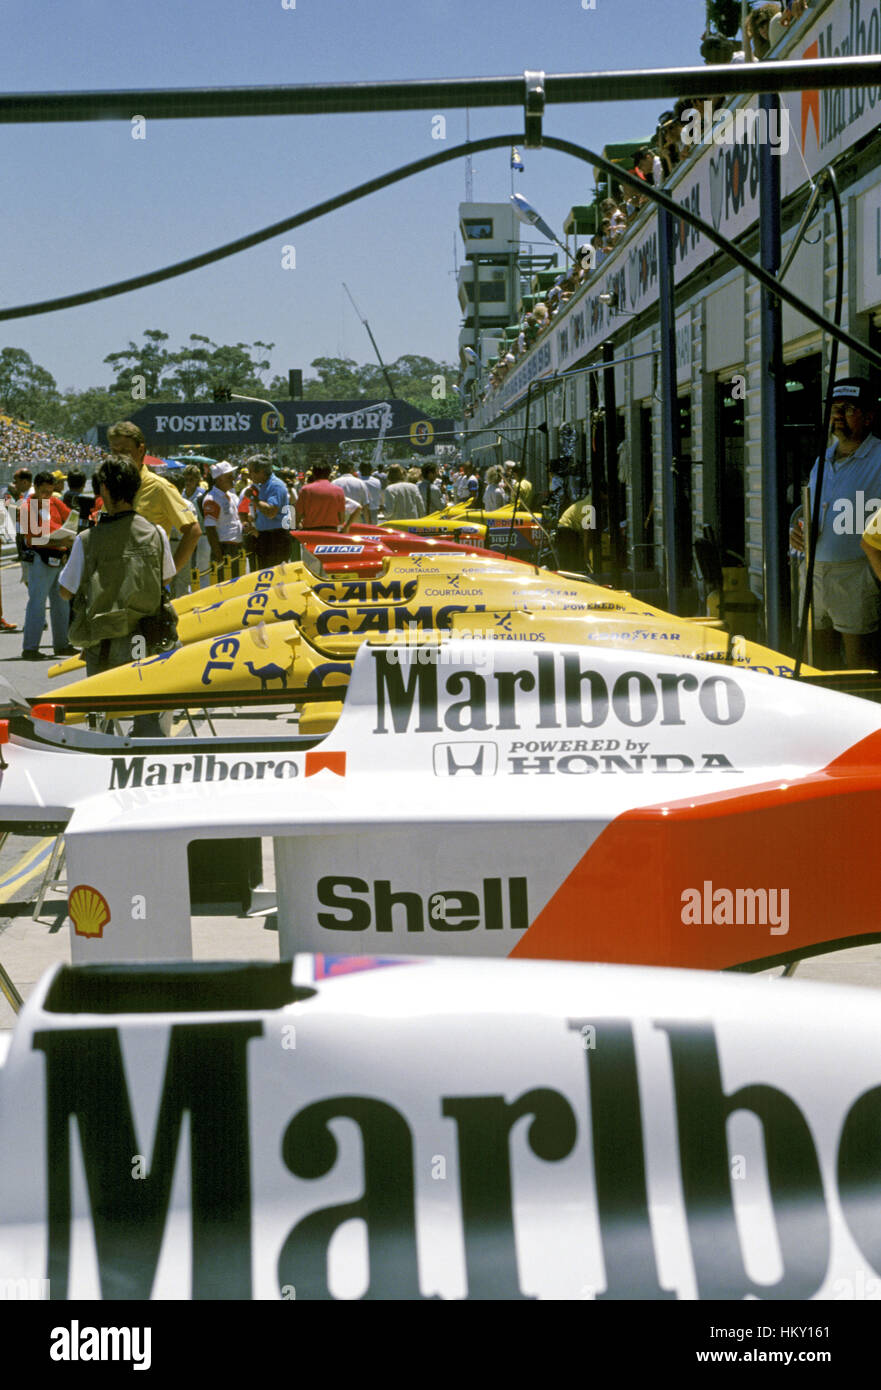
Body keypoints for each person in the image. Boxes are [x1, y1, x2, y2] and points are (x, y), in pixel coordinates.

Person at [790, 378, 881, 669]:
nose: (838, 415)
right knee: (814, 657)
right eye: (834, 409)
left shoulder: (879, 457)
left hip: (857, 573)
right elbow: (811, 512)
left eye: (849, 408)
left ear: (869, 417)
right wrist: (798, 529)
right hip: (814, 572)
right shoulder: (823, 460)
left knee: (860, 662)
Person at [59, 456, 175, 677]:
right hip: (145, 638)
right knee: (144, 698)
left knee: (106, 706)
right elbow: (166, 577)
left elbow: (66, 591)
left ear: (104, 488)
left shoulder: (86, 540)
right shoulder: (156, 533)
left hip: (103, 642)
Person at [106, 422, 201, 580]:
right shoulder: (112, 486)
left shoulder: (159, 487)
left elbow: (193, 531)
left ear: (141, 450)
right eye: (114, 451)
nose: (118, 458)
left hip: (146, 584)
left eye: (125, 451)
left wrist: (167, 575)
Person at [19, 470, 76, 658]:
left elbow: (70, 519)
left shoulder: (54, 502)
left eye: (50, 492)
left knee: (61, 603)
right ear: (35, 488)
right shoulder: (28, 507)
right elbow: (32, 540)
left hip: (59, 557)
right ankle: (30, 647)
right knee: (37, 603)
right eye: (43, 491)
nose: (47, 496)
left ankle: (62, 643)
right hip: (41, 558)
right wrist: (60, 542)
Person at [246, 456, 292, 567]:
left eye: (251, 471)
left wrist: (253, 498)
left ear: (261, 471)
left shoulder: (275, 485)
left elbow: (271, 512)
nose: (249, 475)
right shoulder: (264, 486)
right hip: (267, 537)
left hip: (275, 539)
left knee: (276, 577)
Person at [201, 461, 244, 564]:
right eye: (229, 476)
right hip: (224, 549)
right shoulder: (212, 499)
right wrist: (218, 555)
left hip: (236, 547)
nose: (233, 479)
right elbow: (210, 529)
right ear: (219, 479)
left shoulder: (232, 496)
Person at [295, 462, 346, 532]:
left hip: (310, 533)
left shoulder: (305, 490)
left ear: (314, 474)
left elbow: (297, 517)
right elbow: (342, 519)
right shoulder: (339, 491)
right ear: (329, 473)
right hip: (332, 533)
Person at [555, 493, 596, 573]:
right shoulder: (591, 506)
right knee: (573, 562)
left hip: (564, 527)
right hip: (567, 530)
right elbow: (586, 533)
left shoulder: (590, 498)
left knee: (569, 562)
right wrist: (586, 554)